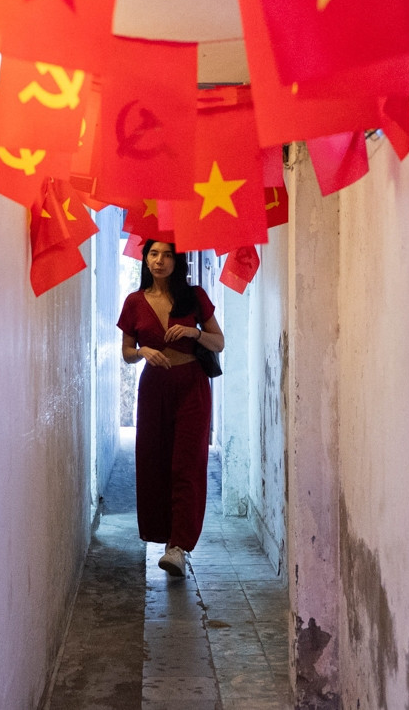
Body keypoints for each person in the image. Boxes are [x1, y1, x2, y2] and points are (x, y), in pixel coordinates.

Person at [117, 240, 226, 576]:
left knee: (187, 463)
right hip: (154, 387)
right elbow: (126, 351)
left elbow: (219, 341)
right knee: (155, 461)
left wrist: (194, 333)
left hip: (192, 386)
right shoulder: (134, 302)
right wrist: (142, 353)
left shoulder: (194, 296)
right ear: (145, 259)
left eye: (166, 254)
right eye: (153, 254)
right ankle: (163, 535)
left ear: (177, 260)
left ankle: (178, 546)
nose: (159, 260)